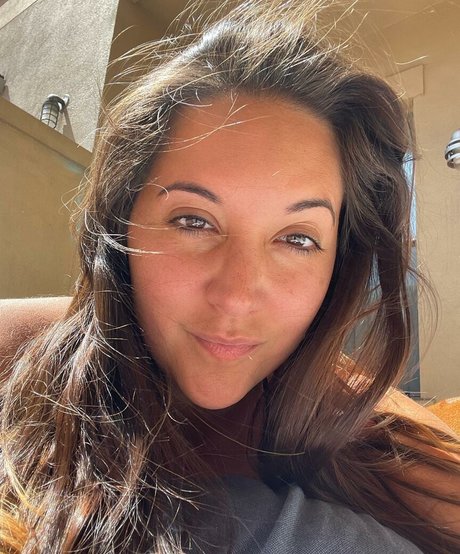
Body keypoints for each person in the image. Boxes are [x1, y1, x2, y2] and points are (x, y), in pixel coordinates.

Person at [0, 1, 459, 552]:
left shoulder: (354, 415)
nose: (238, 296)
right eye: (193, 221)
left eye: (297, 239)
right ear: (121, 225)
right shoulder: (23, 355)